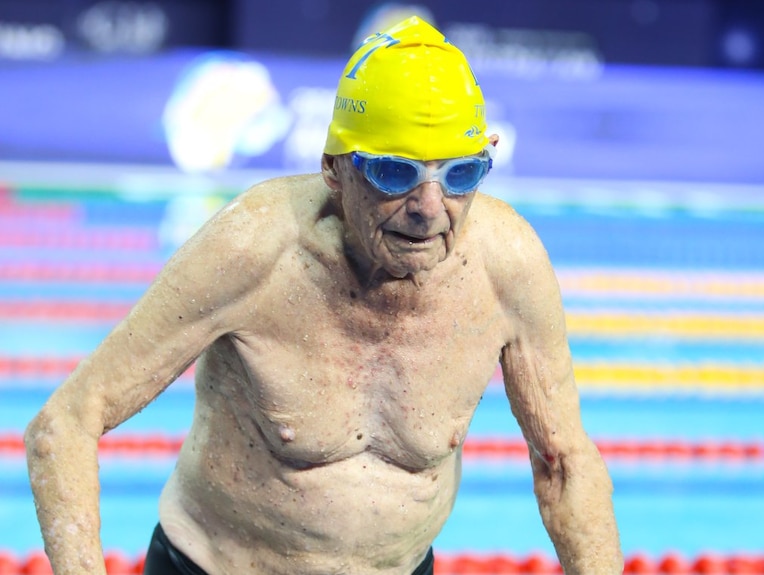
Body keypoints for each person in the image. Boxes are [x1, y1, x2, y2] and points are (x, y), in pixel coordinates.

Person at [24, 16, 623, 575]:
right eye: (395, 174)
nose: (429, 210)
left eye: (461, 175)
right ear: (334, 170)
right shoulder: (254, 249)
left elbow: (565, 463)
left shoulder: (506, 264)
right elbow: (66, 422)